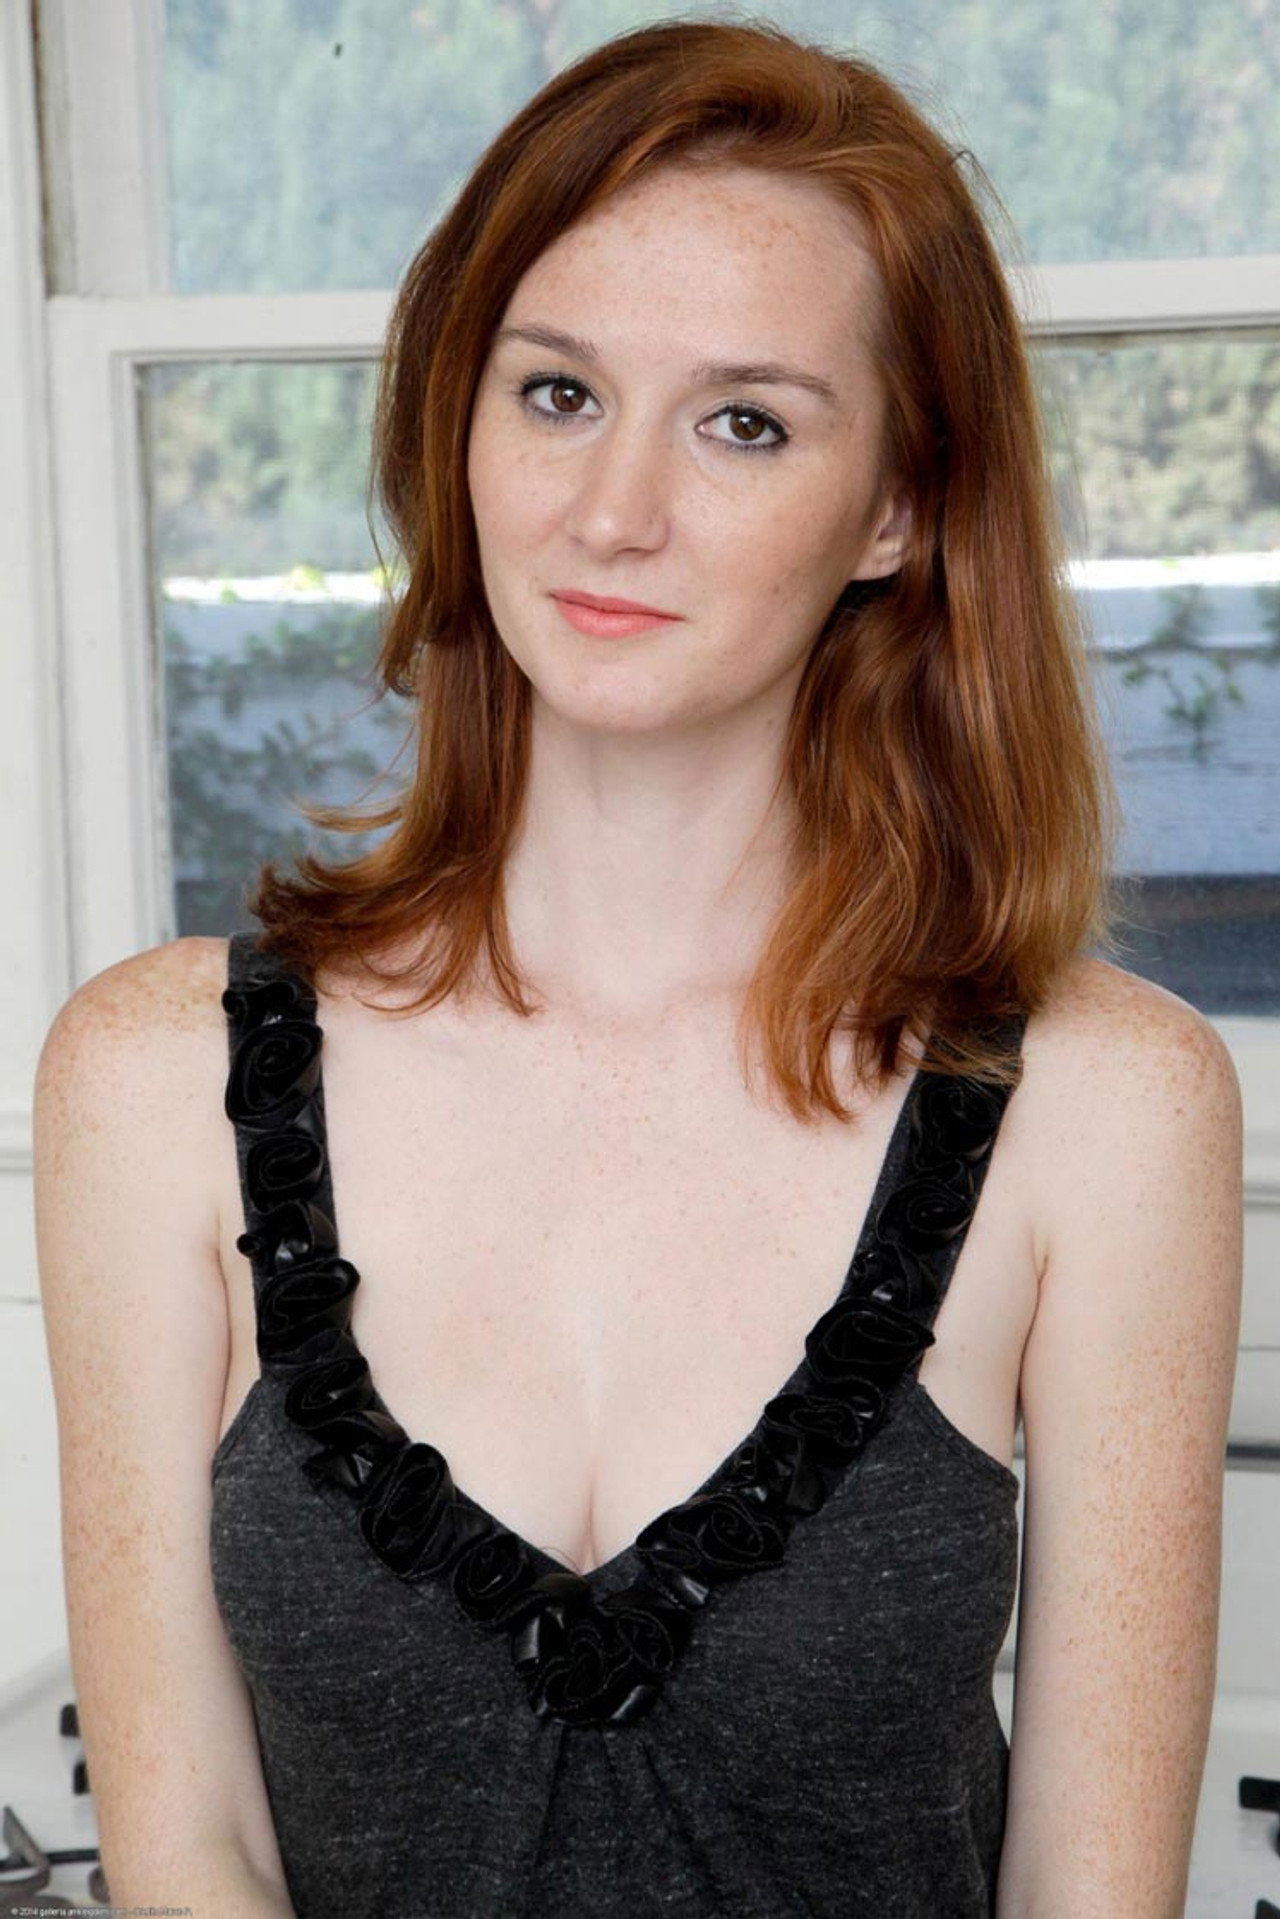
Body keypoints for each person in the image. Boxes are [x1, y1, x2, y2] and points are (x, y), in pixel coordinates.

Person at [33, 18, 1243, 1919]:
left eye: (745, 422)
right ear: (459, 426)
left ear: (902, 506)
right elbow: (189, 1854)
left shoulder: (1110, 1107)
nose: (612, 512)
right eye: (558, 393)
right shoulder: (149, 1077)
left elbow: (1093, 1897)